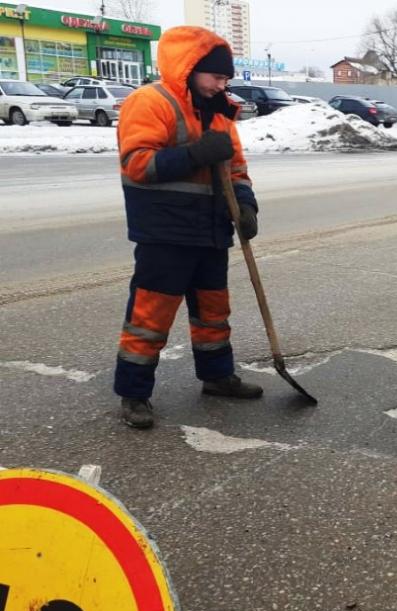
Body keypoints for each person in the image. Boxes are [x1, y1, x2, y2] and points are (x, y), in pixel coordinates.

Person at [114, 26, 262, 429]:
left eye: (226, 78)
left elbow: (237, 171)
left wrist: (246, 207)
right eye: (215, 76)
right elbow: (138, 165)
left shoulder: (219, 114)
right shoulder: (150, 102)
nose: (221, 84)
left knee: (214, 312)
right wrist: (196, 153)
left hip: (211, 230)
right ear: (190, 68)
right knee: (150, 316)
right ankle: (134, 393)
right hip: (165, 232)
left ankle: (217, 376)